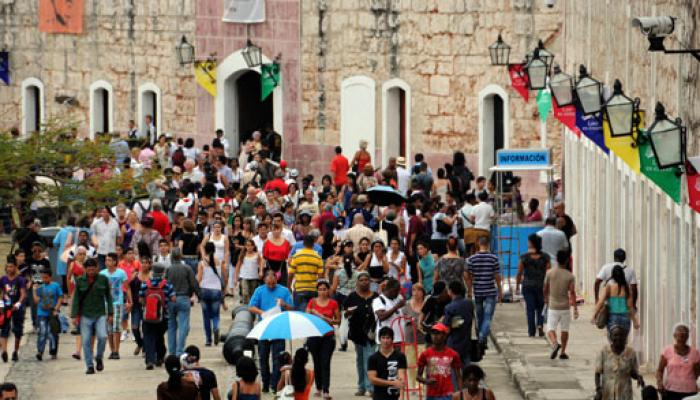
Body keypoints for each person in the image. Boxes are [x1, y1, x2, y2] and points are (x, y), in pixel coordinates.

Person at [248, 269, 294, 393]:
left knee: (278, 358)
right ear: (265, 281)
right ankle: (265, 383)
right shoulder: (259, 290)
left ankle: (275, 384)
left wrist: (283, 304)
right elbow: (251, 306)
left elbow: (292, 307)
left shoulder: (284, 290)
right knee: (263, 357)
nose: (271, 285)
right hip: (264, 327)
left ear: (276, 279)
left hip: (279, 328)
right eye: (269, 283)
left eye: (273, 283)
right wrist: (261, 312)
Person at [71, 258, 114, 374]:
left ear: (97, 269)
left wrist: (110, 313)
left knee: (103, 336)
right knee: (85, 341)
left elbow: (108, 297)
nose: (91, 272)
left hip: (100, 313)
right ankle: (89, 366)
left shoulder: (103, 279)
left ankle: (99, 357)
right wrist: (74, 316)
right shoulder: (80, 281)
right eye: (89, 269)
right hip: (85, 314)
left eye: (93, 269)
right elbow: (76, 299)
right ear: (85, 269)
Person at [344, 271, 378, 397]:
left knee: (369, 358)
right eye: (362, 280)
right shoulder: (352, 296)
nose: (364, 282)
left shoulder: (375, 296)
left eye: (366, 280)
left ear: (370, 282)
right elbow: (345, 312)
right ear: (357, 282)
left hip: (371, 333)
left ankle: (371, 387)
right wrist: (348, 312)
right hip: (357, 333)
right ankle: (361, 386)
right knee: (360, 360)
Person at [306, 280, 340, 399]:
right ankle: (318, 387)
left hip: (328, 337)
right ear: (317, 290)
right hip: (314, 337)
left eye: (324, 289)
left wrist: (327, 319)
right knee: (317, 363)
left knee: (325, 363)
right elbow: (307, 318)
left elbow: (338, 320)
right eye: (320, 289)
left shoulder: (333, 303)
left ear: (328, 290)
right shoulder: (312, 302)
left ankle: (326, 390)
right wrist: (312, 313)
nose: (322, 292)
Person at [466, 236, 501, 347]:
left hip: (478, 290)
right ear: (488, 244)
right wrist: (500, 290)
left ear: (478, 244)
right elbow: (497, 276)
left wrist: (469, 291)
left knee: (480, 315)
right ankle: (482, 336)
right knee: (488, 316)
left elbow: (469, 277)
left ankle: (481, 336)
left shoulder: (471, 259)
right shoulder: (494, 258)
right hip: (490, 290)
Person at [141, 262, 176, 370]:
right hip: (162, 317)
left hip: (147, 317)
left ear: (152, 271)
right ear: (163, 272)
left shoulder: (145, 284)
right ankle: (160, 357)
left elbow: (140, 299)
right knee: (159, 336)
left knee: (148, 337)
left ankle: (149, 361)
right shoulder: (167, 284)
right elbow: (173, 299)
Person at [544, 250, 578, 360]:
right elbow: (572, 292)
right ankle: (563, 352)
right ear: (567, 260)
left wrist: (545, 298)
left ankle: (554, 343)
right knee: (565, 329)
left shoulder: (549, 273)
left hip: (553, 306)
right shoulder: (570, 276)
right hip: (565, 307)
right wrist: (575, 308)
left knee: (550, 328)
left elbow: (545, 288)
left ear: (557, 259)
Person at [165, 248, 199, 356]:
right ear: (180, 256)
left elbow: (165, 284)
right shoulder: (187, 268)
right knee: (183, 325)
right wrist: (198, 294)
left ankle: (172, 351)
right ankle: (180, 350)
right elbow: (194, 283)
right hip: (184, 298)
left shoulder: (169, 269)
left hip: (171, 299)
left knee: (171, 326)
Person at [595, 325, 644, 400]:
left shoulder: (631, 353)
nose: (618, 337)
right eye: (615, 335)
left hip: (624, 394)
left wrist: (638, 377)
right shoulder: (604, 352)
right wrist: (598, 389)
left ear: (625, 337)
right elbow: (597, 373)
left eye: (621, 335)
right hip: (608, 393)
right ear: (611, 337)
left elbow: (633, 372)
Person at [516, 234, 550, 337]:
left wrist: (518, 285)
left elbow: (519, 273)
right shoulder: (545, 257)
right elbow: (549, 273)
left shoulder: (524, 257)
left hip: (528, 285)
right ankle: (540, 325)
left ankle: (531, 331)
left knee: (530, 308)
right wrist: (548, 287)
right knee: (540, 307)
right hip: (541, 285)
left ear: (531, 243)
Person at [417, 323, 463, 400]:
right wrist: (427, 381)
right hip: (431, 395)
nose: (434, 336)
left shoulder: (453, 354)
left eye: (438, 333)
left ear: (444, 336)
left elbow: (458, 376)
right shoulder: (425, 354)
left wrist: (461, 393)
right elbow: (418, 377)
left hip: (448, 394)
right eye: (433, 333)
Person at [656, 323, 700, 400]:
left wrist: (686, 381)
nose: (682, 334)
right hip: (670, 391)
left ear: (688, 336)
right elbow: (660, 370)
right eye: (679, 331)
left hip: (690, 392)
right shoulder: (667, 350)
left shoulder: (695, 353)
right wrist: (659, 383)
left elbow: (697, 372)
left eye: (685, 332)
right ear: (674, 335)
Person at [100, 252, 131, 360]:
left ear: (114, 262)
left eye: (109, 260)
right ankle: (112, 350)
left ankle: (116, 351)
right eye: (106, 260)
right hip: (105, 303)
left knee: (116, 327)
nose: (107, 262)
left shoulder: (121, 273)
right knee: (108, 329)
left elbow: (127, 288)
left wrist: (129, 301)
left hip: (118, 303)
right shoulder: (102, 273)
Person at [592, 265, 640, 335]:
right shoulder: (627, 289)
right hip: (625, 318)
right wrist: (635, 321)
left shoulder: (609, 287)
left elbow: (601, 302)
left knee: (612, 339)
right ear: (623, 275)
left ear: (613, 276)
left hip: (612, 317)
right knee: (624, 340)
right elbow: (630, 307)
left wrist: (594, 315)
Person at [197, 243, 225, 347]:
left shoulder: (202, 263)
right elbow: (223, 276)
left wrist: (195, 291)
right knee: (215, 314)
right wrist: (225, 289)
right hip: (216, 290)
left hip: (204, 290)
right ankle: (216, 327)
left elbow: (199, 278)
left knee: (206, 317)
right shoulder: (219, 261)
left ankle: (208, 339)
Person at [368, 327, 407, 400]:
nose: (385, 341)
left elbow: (401, 378)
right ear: (379, 339)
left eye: (388, 338)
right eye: (383, 338)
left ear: (392, 339)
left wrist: (401, 397)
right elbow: (372, 379)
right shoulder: (373, 358)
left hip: (395, 397)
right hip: (379, 397)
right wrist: (392, 383)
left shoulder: (400, 356)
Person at [288, 234, 325, 312]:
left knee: (299, 314)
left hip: (299, 289)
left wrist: (289, 287)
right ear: (314, 244)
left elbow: (290, 274)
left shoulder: (296, 256)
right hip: (313, 290)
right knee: (312, 314)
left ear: (303, 244)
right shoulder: (318, 258)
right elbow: (321, 277)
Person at [33, 267, 63, 361]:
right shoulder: (40, 288)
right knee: (42, 332)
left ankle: (53, 351)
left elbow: (60, 297)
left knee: (53, 333)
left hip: (52, 313)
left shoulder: (55, 286)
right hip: (41, 313)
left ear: (50, 277)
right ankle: (40, 351)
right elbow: (37, 301)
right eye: (43, 278)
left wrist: (56, 309)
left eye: (46, 277)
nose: (44, 280)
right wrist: (34, 291)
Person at [0, 256, 26, 363]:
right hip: (5, 308)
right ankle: (4, 351)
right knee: (4, 329)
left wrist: (18, 304)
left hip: (17, 308)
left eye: (11, 267)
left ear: (15, 267)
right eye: (7, 267)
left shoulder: (20, 279)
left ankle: (15, 351)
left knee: (17, 330)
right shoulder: (3, 279)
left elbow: (23, 294)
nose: (9, 269)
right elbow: (1, 293)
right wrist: (1, 305)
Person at [444, 280, 474, 371]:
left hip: (454, 342)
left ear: (450, 291)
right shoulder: (469, 303)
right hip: (466, 339)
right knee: (467, 367)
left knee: (453, 370)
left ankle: (456, 385)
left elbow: (447, 328)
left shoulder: (449, 307)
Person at [373, 278, 405, 345]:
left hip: (400, 339)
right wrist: (396, 307)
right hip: (386, 340)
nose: (398, 293)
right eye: (396, 291)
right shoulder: (379, 300)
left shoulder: (398, 298)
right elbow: (381, 316)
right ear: (390, 290)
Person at [235, 238, 264, 304]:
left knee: (253, 294)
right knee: (245, 293)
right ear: (245, 246)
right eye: (247, 245)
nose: (249, 247)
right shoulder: (242, 255)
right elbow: (237, 267)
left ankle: (252, 307)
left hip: (254, 277)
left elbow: (261, 263)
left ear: (253, 246)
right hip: (244, 277)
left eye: (251, 245)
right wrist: (235, 278)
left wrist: (261, 271)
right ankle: (246, 306)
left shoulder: (257, 255)